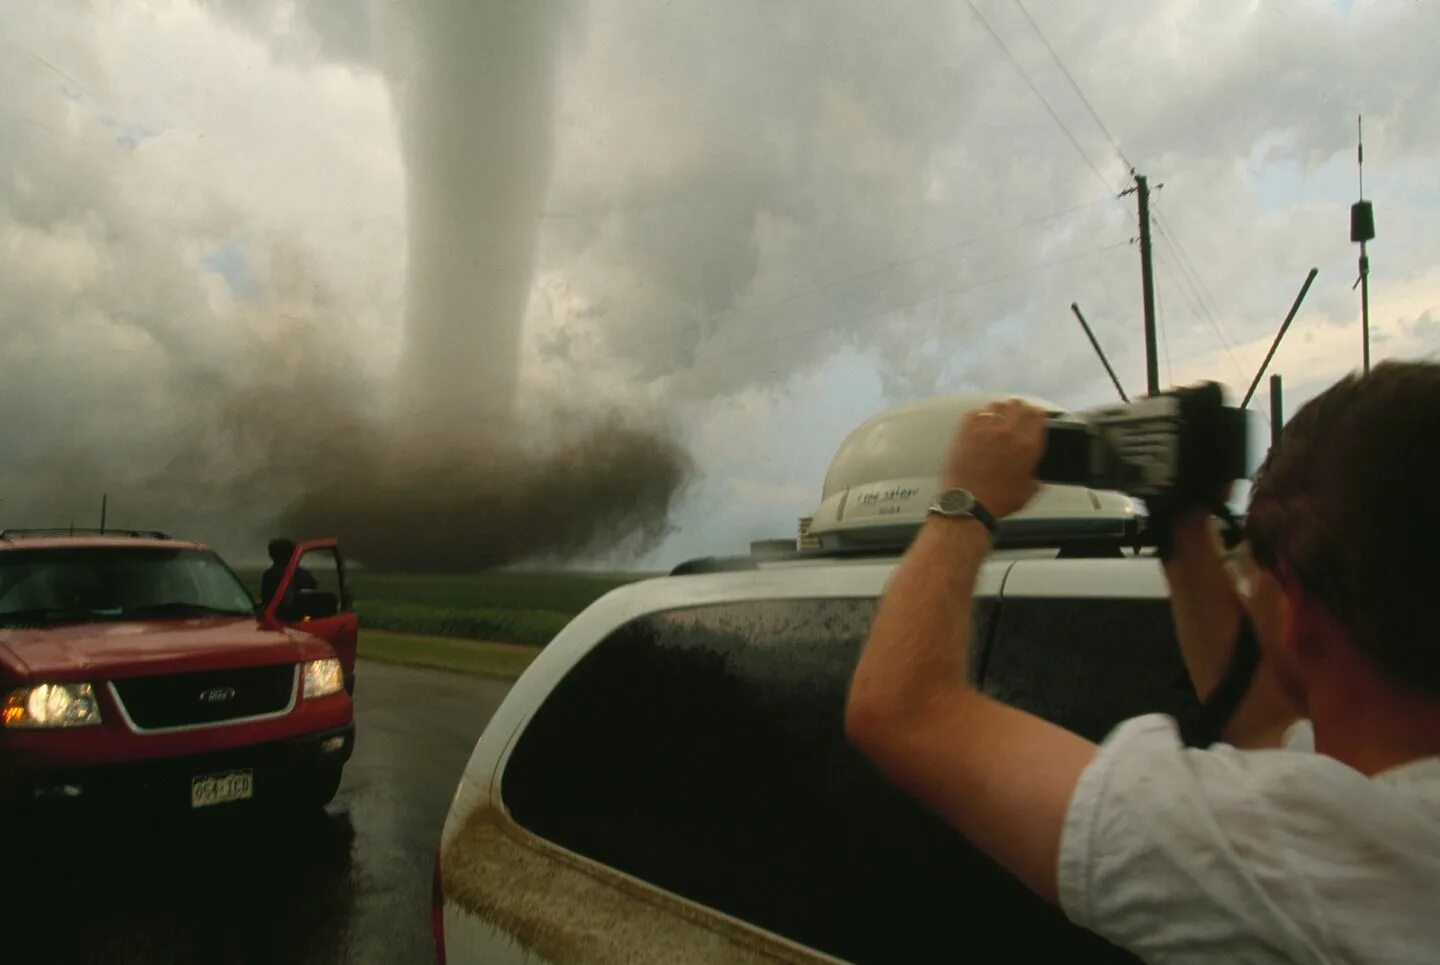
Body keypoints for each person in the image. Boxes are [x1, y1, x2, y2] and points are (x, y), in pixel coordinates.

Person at [846, 360, 1440, 962]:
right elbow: (1258, 723)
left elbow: (901, 709)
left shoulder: (1313, 852)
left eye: (1250, 569)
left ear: (1300, 614)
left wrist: (964, 499)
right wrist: (1181, 522)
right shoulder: (1394, 809)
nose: (1245, 583)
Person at [260, 537, 316, 610]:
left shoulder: (270, 575)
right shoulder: (305, 574)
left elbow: (267, 600)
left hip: (280, 617)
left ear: (272, 555)